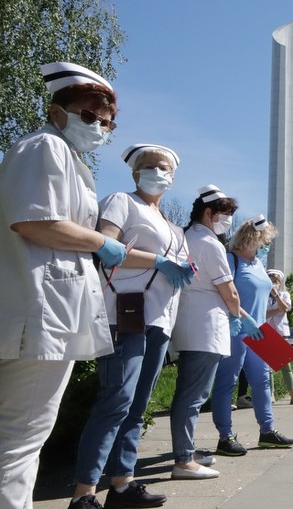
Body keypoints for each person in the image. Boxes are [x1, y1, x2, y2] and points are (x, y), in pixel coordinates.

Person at [0, 62, 127, 509]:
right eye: (88, 115)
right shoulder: (44, 147)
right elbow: (33, 220)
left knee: (16, 436)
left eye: (106, 122)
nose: (98, 126)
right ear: (57, 110)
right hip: (41, 318)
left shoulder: (59, 154)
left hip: (43, 314)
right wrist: (101, 243)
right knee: (20, 440)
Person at [71, 144, 195, 509]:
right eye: (150, 166)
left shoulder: (172, 225)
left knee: (137, 405)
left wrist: (183, 268)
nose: (158, 173)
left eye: (164, 168)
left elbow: (179, 264)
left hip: (159, 319)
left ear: (172, 178)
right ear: (134, 172)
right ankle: (84, 494)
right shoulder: (122, 202)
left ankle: (122, 485)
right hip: (126, 313)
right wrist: (159, 260)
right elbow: (105, 245)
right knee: (116, 401)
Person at [168, 185, 246, 480]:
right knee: (193, 396)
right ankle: (183, 460)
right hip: (206, 326)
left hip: (191, 322)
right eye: (224, 215)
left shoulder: (188, 236)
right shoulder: (210, 243)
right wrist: (237, 315)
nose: (227, 221)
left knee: (190, 394)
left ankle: (185, 450)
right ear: (209, 213)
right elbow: (229, 290)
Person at [211, 215, 293, 456]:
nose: (266, 245)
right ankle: (225, 436)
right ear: (253, 238)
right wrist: (242, 319)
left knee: (262, 383)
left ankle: (267, 431)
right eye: (264, 240)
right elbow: (223, 294)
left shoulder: (258, 264)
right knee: (227, 382)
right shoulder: (230, 260)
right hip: (236, 330)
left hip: (261, 332)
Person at [266, 269, 293, 405]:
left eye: (276, 280)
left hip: (280, 333)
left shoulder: (284, 294)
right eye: (271, 280)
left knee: (286, 366)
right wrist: (276, 311)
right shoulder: (262, 295)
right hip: (266, 332)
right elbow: (262, 314)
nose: (273, 282)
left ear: (280, 282)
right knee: (268, 367)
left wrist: (276, 296)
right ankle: (271, 395)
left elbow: (285, 309)